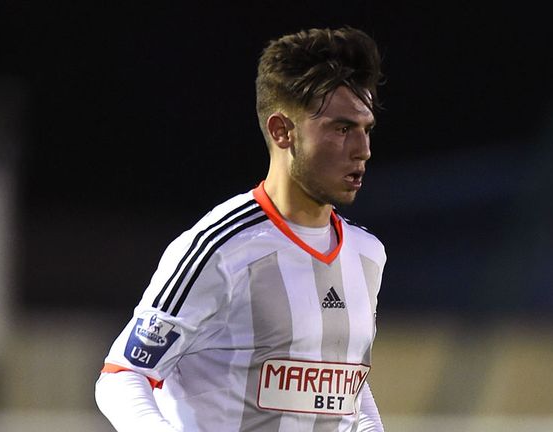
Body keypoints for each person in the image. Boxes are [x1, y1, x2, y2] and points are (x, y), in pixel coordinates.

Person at [95, 26, 386, 432]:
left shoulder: (367, 255)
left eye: (366, 129)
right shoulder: (219, 248)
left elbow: (346, 387)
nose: (363, 150)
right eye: (341, 129)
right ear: (282, 131)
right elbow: (123, 375)